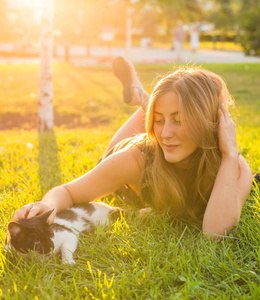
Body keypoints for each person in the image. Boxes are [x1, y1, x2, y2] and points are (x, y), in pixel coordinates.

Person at [14, 56, 253, 240]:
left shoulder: (234, 166)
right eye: (157, 120)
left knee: (165, 112)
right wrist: (48, 205)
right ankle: (144, 101)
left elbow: (214, 233)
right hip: (129, 156)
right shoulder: (136, 159)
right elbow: (68, 192)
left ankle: (143, 97)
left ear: (208, 123)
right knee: (116, 152)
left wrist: (231, 154)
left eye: (179, 120)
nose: (166, 133)